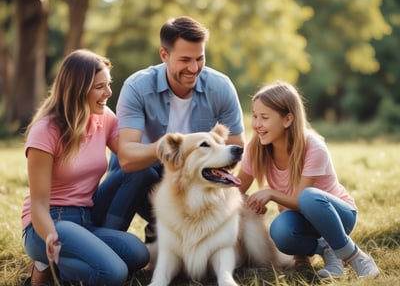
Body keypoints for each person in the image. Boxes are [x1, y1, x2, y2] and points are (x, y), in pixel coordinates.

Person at [91, 16, 245, 241]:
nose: (193, 68)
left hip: (196, 181)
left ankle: (174, 232)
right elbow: (126, 157)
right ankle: (113, 237)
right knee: (137, 170)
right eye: (184, 59)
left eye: (199, 58)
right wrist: (170, 148)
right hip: (148, 178)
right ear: (164, 55)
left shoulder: (220, 87)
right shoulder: (137, 87)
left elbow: (236, 145)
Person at [21, 49, 149, 286]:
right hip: (47, 222)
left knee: (138, 253)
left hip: (85, 218)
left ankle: (56, 271)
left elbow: (130, 157)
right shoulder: (46, 130)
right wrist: (50, 235)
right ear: (77, 89)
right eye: (100, 87)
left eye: (108, 84)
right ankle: (47, 264)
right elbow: (38, 203)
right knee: (115, 273)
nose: (109, 93)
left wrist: (171, 147)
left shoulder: (104, 117)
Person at [237, 80, 380, 278]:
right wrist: (245, 201)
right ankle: (327, 250)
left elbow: (300, 200)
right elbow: (237, 187)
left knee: (309, 197)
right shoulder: (256, 148)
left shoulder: (312, 146)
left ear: (287, 119)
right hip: (301, 220)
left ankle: (355, 255)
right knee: (279, 232)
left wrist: (269, 193)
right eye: (254, 116)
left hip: (338, 215)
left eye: (264, 117)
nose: (256, 124)